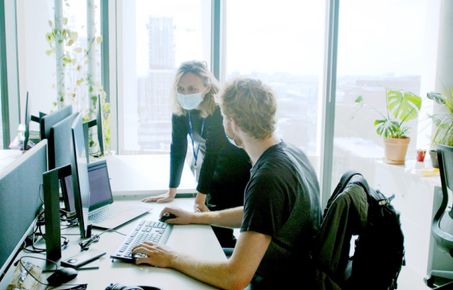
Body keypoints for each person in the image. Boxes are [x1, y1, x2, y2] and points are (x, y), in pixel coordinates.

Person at [133, 78, 322, 289]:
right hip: (296, 272)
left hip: (274, 281)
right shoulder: (291, 154)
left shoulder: (268, 178)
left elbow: (234, 278)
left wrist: (171, 258)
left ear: (231, 123)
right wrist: (197, 218)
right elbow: (257, 214)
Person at [142, 61, 251, 248]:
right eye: (181, 88)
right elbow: (177, 146)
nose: (185, 94)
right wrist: (171, 190)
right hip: (211, 172)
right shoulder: (181, 109)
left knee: (217, 229)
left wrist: (199, 199)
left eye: (192, 88)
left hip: (234, 170)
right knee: (209, 225)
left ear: (207, 87)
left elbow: (213, 153)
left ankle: (227, 257)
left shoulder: (217, 109)